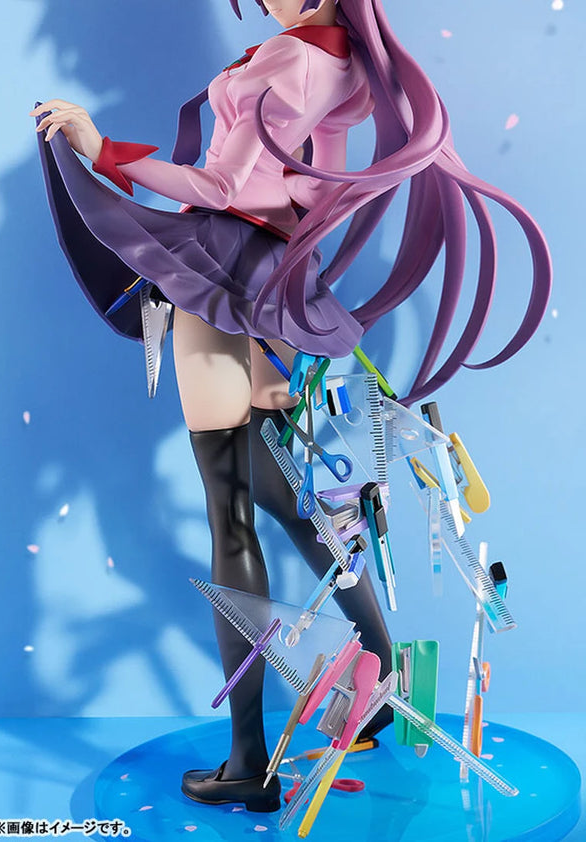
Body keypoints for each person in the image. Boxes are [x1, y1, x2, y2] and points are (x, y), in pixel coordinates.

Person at [31, 0, 551, 813]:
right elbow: (313, 193)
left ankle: (249, 762)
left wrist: (104, 153)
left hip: (217, 269)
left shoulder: (288, 60)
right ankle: (379, 678)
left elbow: (218, 186)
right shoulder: (345, 66)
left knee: (231, 514)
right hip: (272, 277)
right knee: (287, 493)